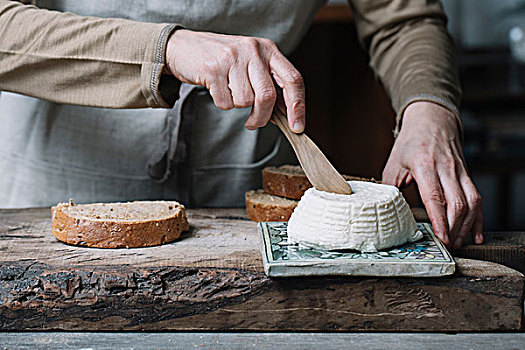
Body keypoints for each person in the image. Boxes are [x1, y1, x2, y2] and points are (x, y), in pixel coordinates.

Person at [0, 0, 483, 249]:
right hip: (57, 191)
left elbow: (404, 20)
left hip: (248, 196)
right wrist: (167, 49)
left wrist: (428, 108)